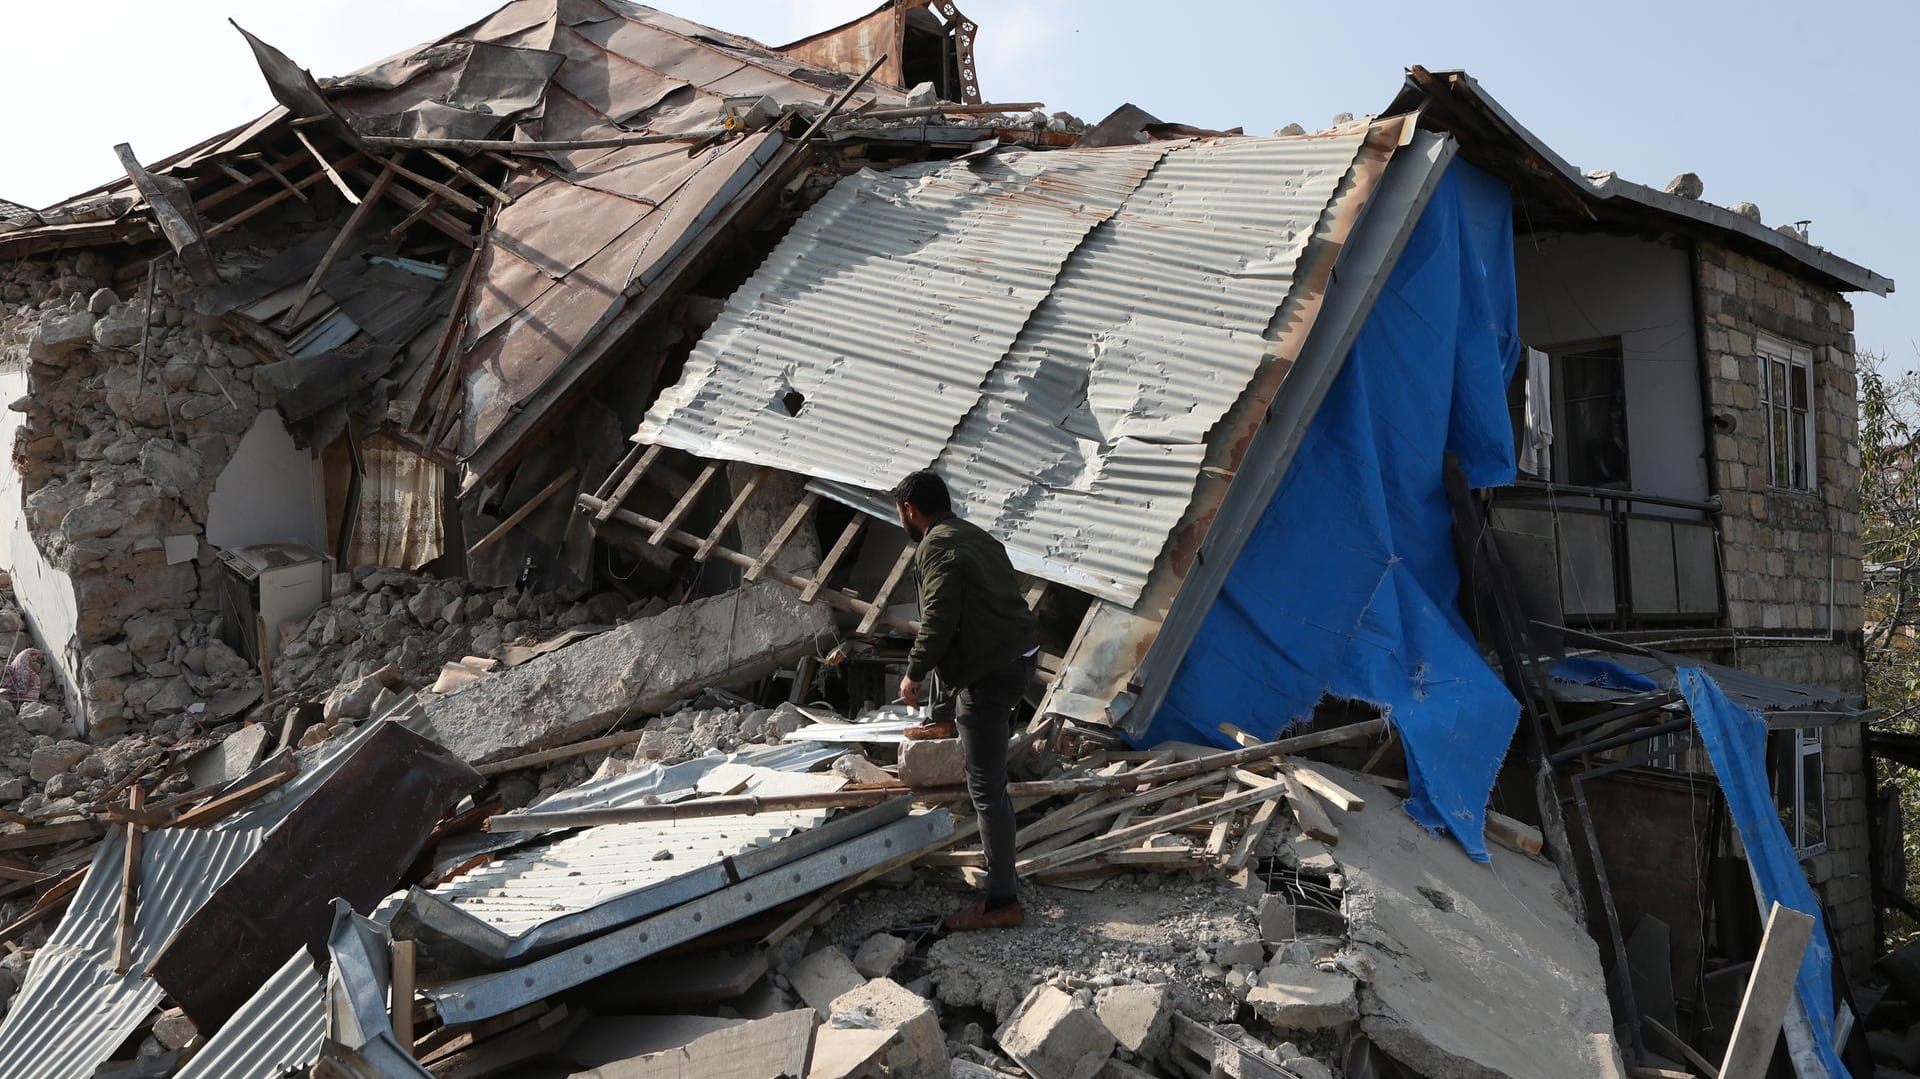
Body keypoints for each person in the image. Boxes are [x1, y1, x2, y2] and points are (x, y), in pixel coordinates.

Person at [891, 469, 1038, 931]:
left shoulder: (935, 547)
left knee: (986, 788)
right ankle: (942, 719)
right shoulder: (974, 535)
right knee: (955, 659)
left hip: (992, 673)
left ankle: (1001, 901)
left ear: (910, 511)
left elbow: (938, 617)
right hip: (1020, 653)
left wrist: (912, 673)